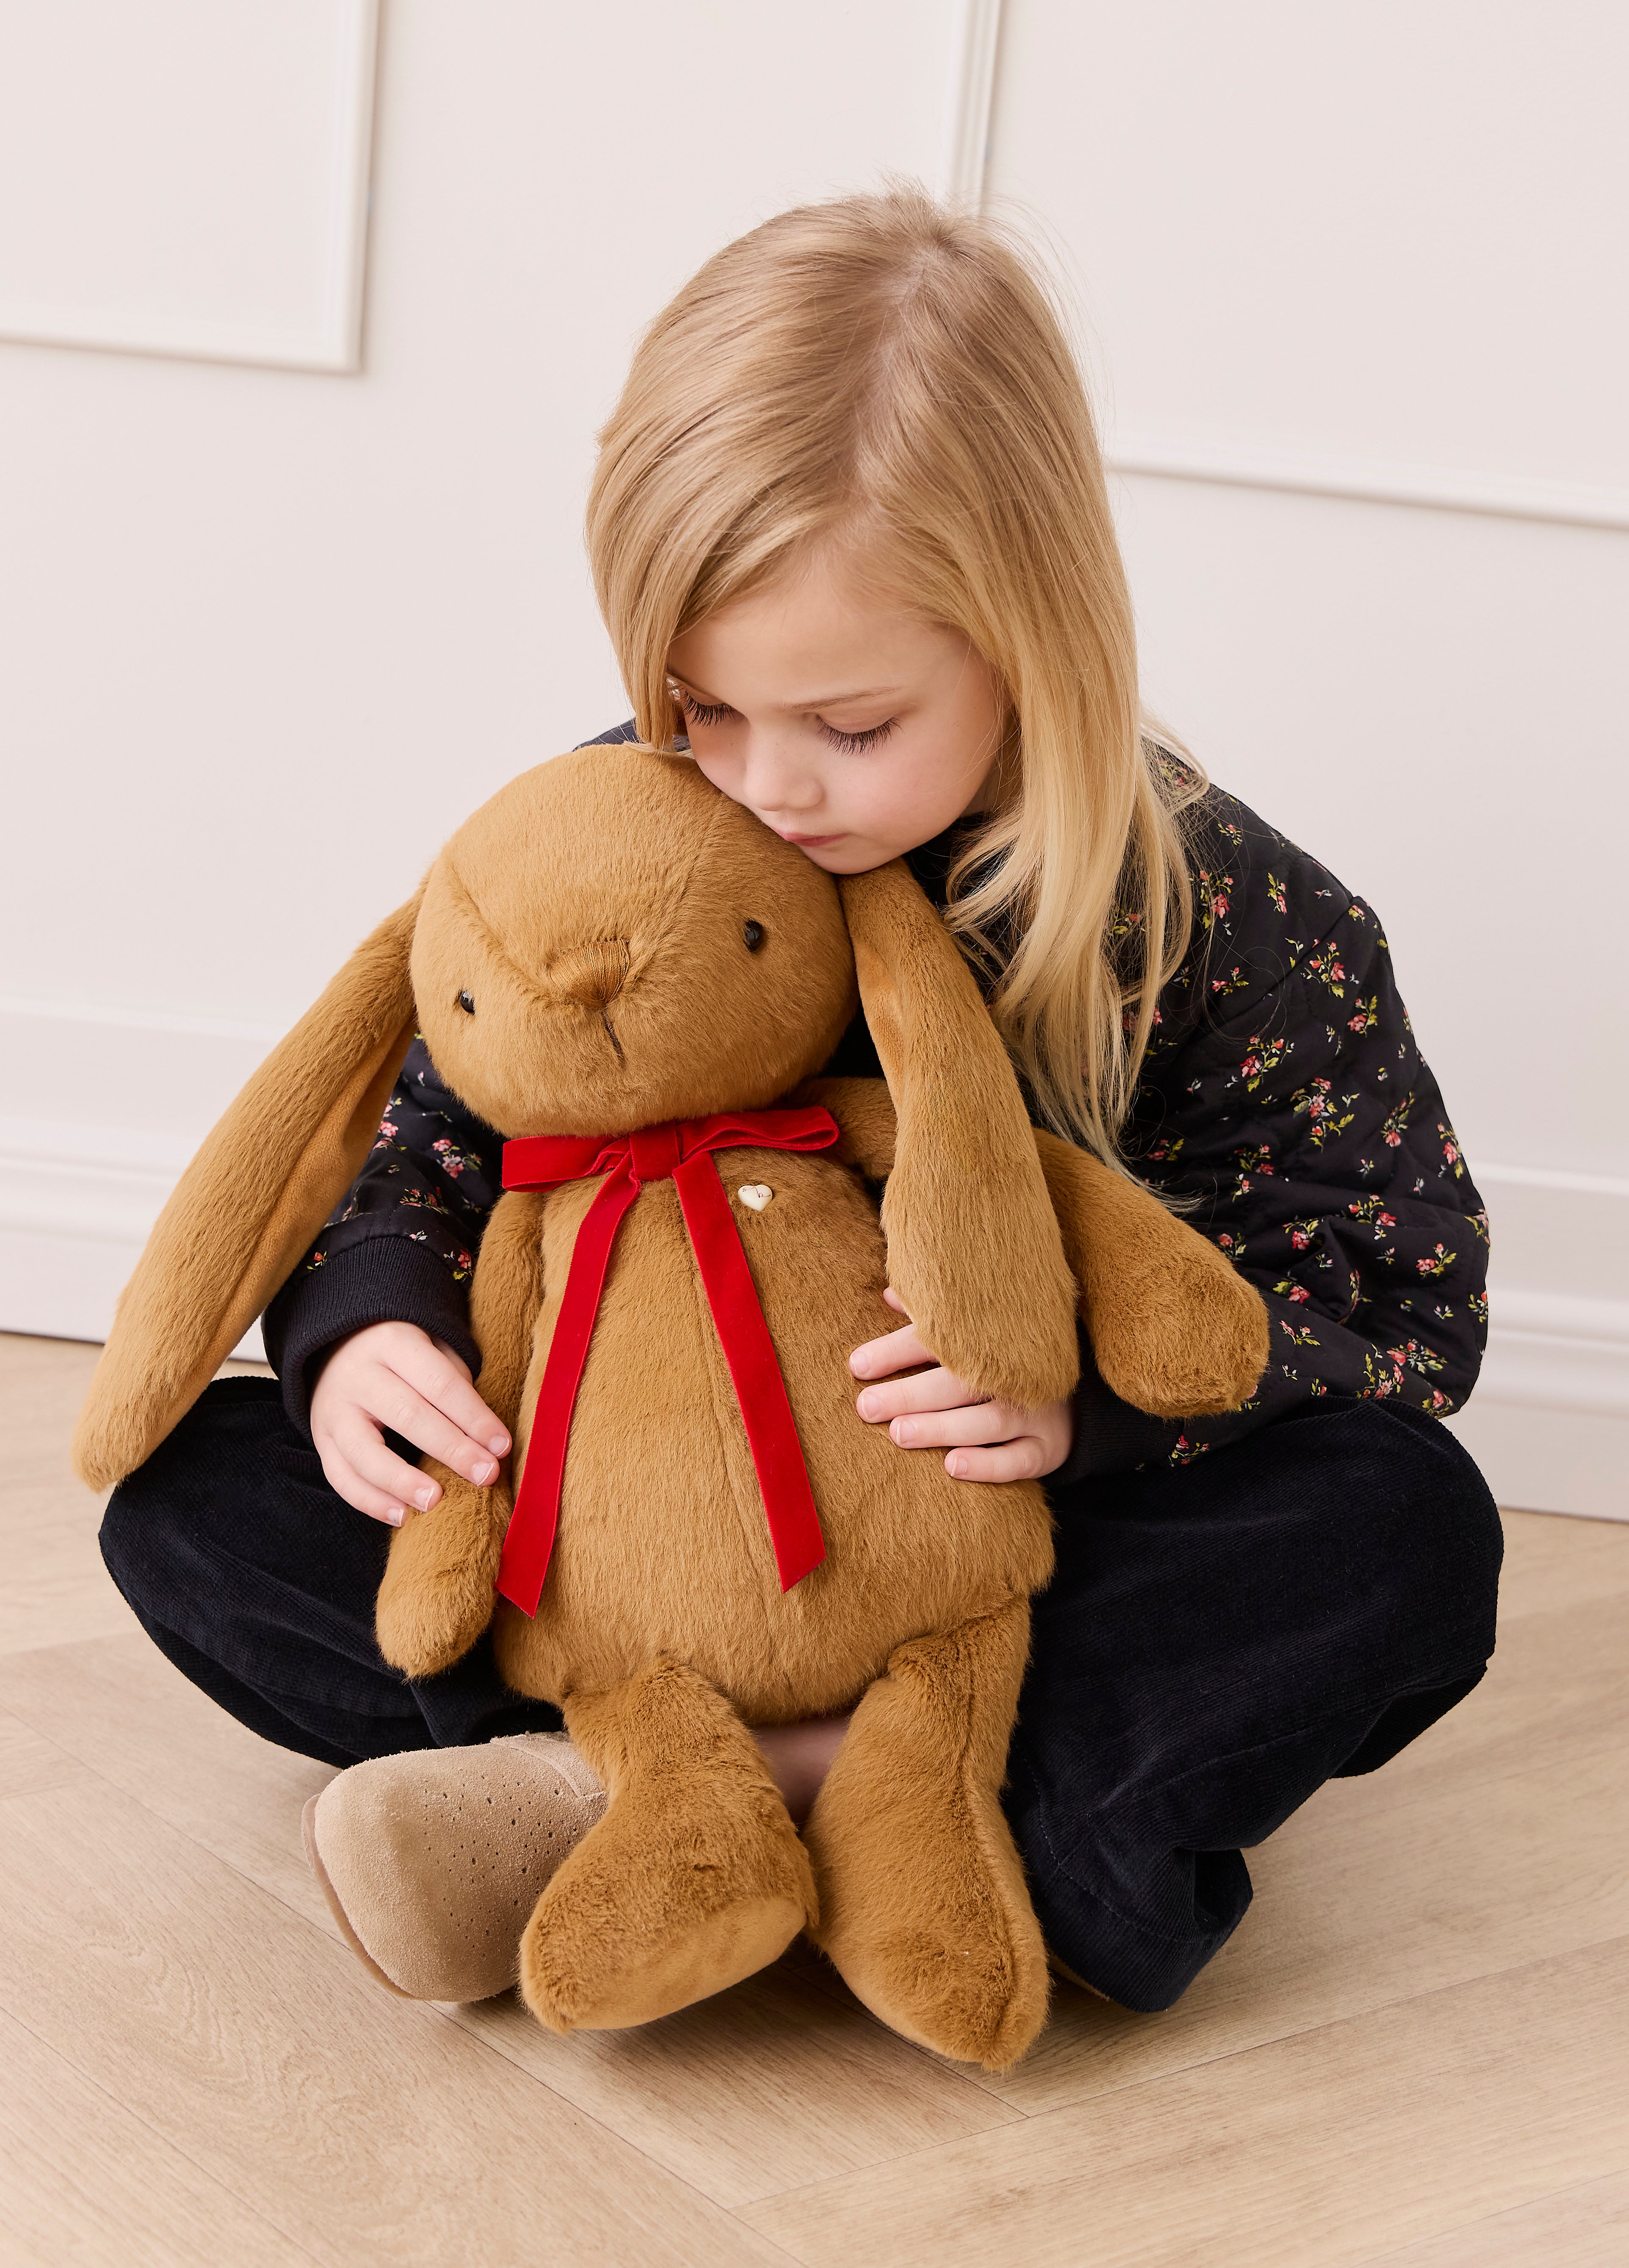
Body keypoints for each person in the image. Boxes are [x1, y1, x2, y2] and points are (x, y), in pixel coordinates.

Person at [100, 189, 1501, 2015]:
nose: (769, 790)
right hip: (628, 1551)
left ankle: (714, 1802)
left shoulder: (1221, 916)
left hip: (1007, 1560)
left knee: (1403, 1527)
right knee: (184, 1496)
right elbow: (420, 1136)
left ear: (1035, 639)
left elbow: (1397, 1303)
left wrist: (1086, 1417)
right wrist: (364, 1331)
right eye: (699, 712)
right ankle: (756, 1786)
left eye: (850, 729)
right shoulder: (617, 834)